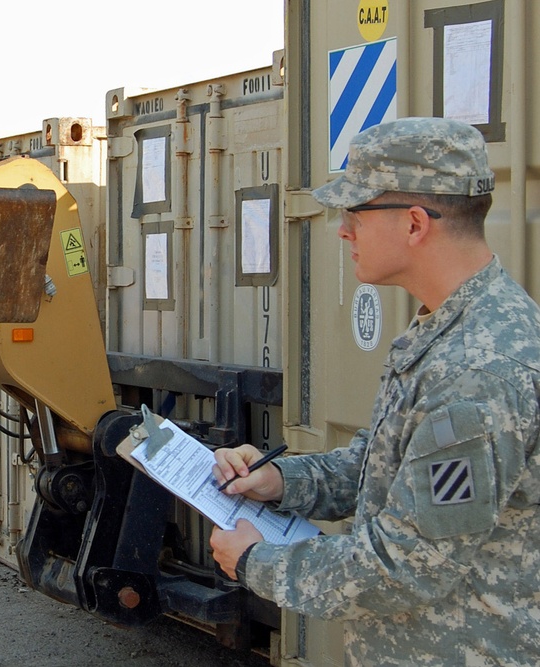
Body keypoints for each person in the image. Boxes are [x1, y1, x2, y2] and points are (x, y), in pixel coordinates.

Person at [209, 117, 540, 665]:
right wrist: (279, 482)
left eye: (355, 212)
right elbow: (380, 468)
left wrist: (254, 561)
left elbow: (405, 565)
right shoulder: (447, 327)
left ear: (414, 223)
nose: (343, 230)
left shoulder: (477, 369)